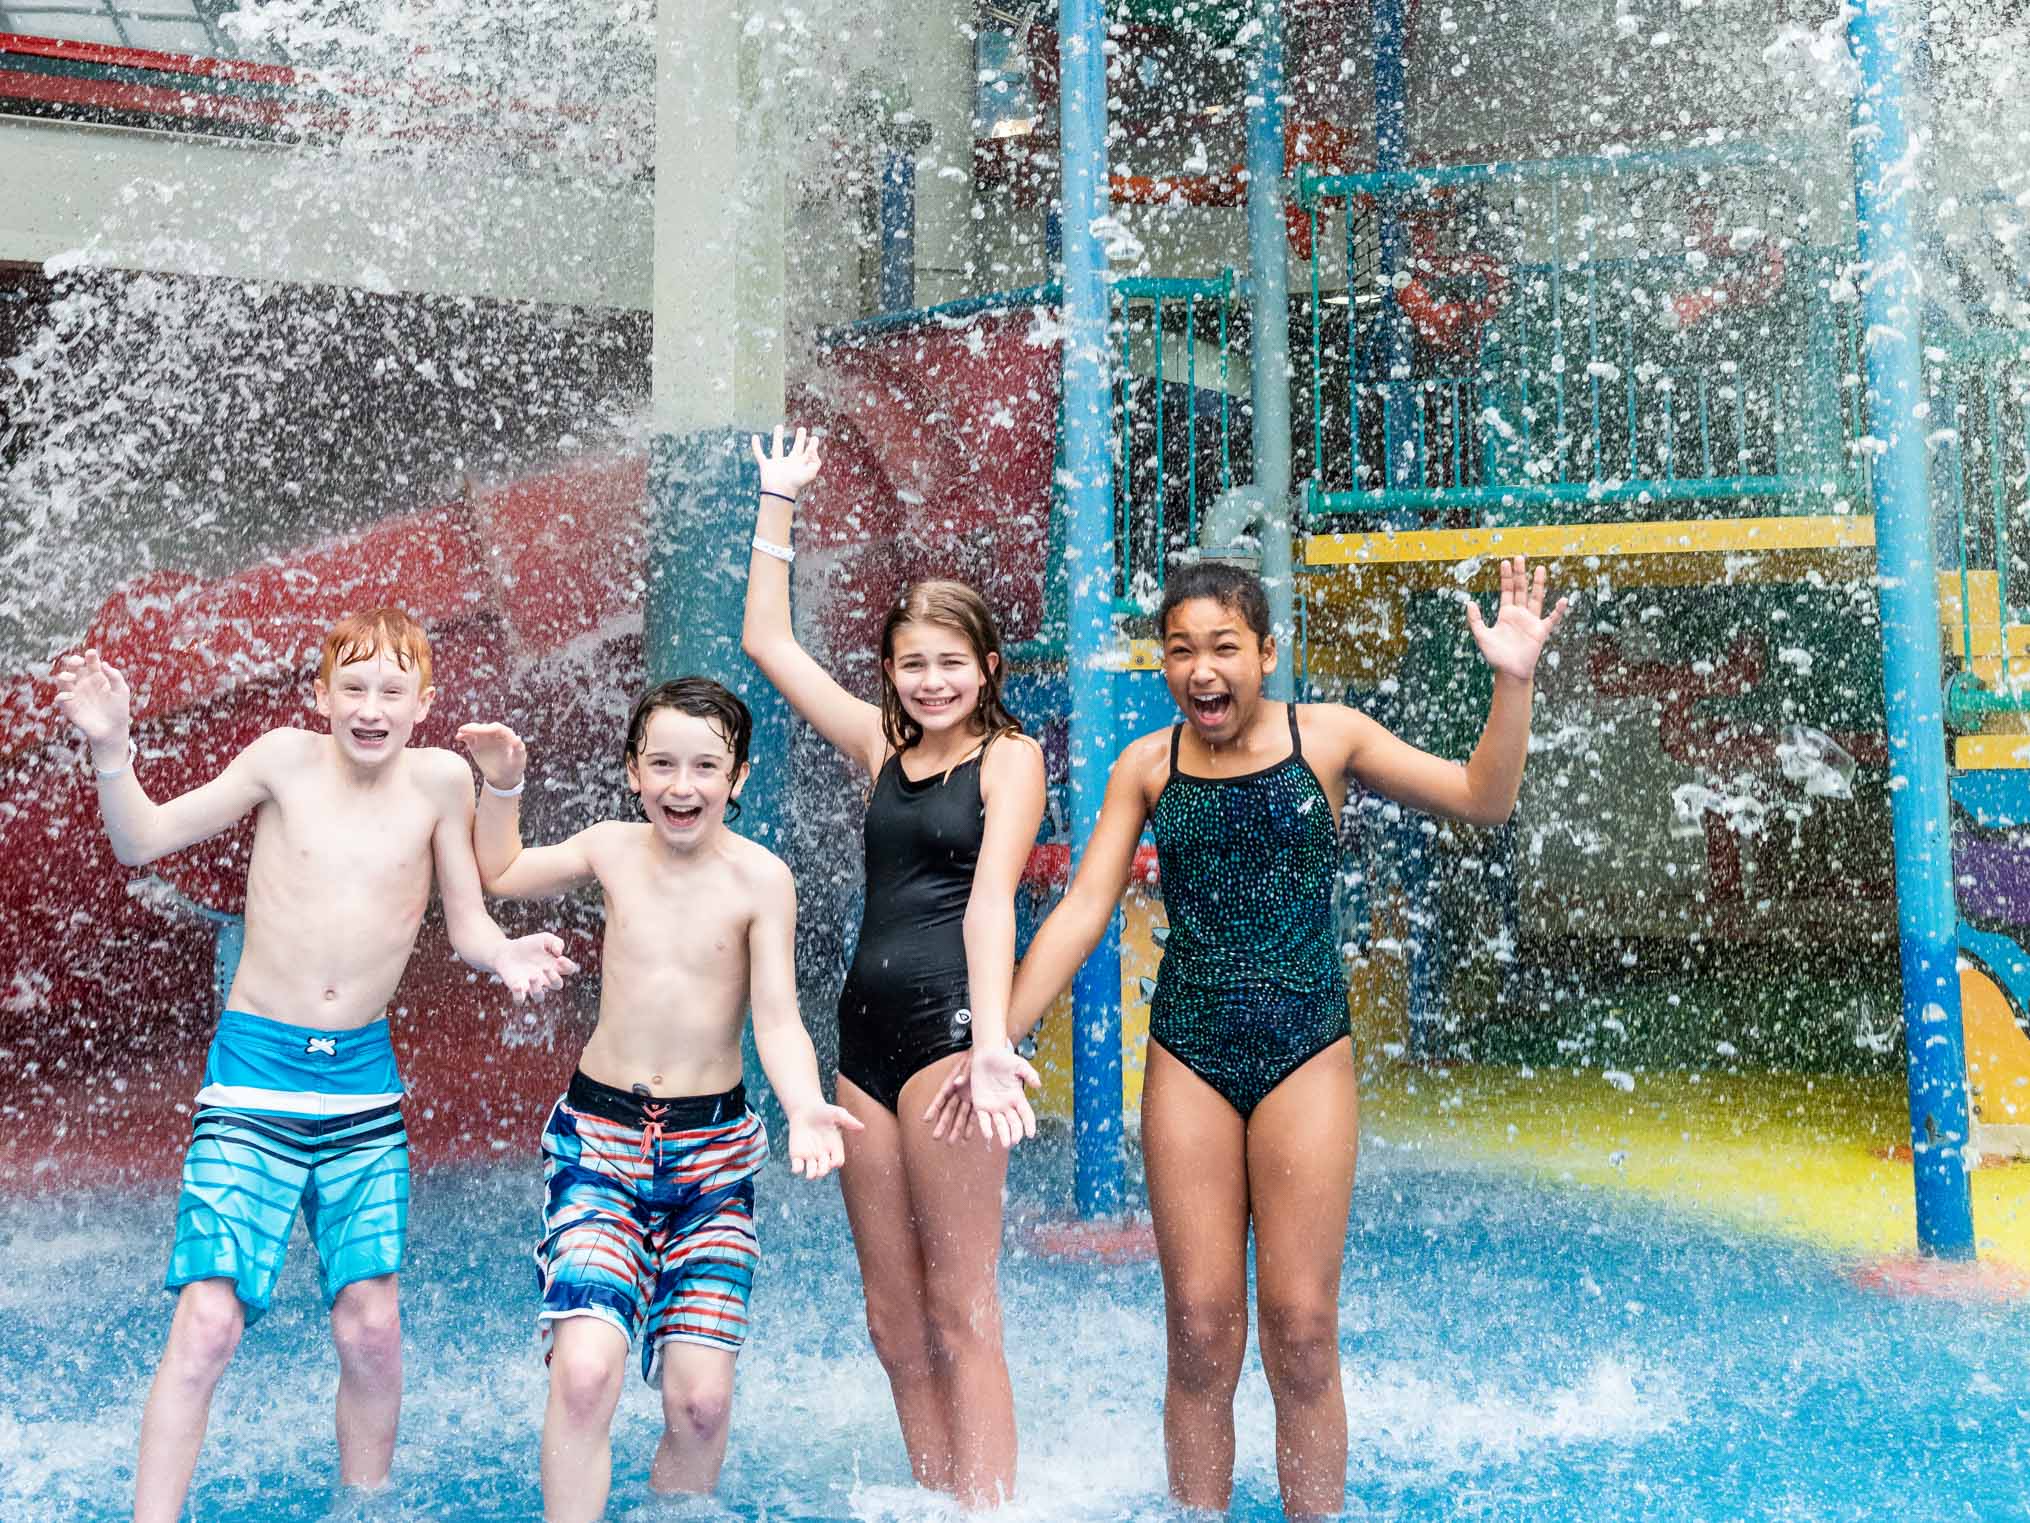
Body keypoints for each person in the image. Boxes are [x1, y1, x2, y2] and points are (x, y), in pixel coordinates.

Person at [936, 557, 1568, 1518]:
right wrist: (997, 1038)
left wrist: (1512, 681)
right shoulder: (1147, 765)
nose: (1202, 668)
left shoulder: (1330, 736)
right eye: (1180, 649)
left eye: (1224, 646)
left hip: (1305, 1048)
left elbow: (1484, 796)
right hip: (1190, 1049)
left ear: (1266, 654)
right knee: (1198, 1329)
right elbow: (1084, 910)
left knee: (1303, 1329)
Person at [52, 608, 578, 1523]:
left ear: (424, 702)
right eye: (354, 687)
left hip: (362, 1087)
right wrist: (111, 747)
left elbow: (467, 922)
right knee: (209, 1320)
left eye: (391, 690)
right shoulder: (283, 761)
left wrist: (504, 954)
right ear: (322, 696)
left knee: (372, 1326)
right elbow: (142, 839)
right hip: (254, 1074)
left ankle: (361, 1509)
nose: (371, 707)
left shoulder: (441, 781)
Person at [460, 676, 861, 1523]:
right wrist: (503, 784)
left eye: (706, 766)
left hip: (711, 1161)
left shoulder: (762, 879)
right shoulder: (612, 848)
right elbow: (500, 870)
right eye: (664, 764)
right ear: (633, 771)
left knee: (701, 1403)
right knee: (584, 1373)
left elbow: (776, 1017)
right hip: (600, 1143)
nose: (684, 785)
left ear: (739, 776)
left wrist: (803, 1104)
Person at [739, 425, 1045, 1506]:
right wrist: (779, 500)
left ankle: (989, 1507)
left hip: (950, 1044)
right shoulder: (880, 745)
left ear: (988, 668)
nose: (931, 681)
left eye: (951, 662)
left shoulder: (1010, 758)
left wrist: (991, 1043)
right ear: (889, 672)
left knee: (961, 1307)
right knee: (892, 1320)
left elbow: (992, 901)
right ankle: (934, 1497)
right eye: (912, 664)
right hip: (861, 1044)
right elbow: (767, 643)